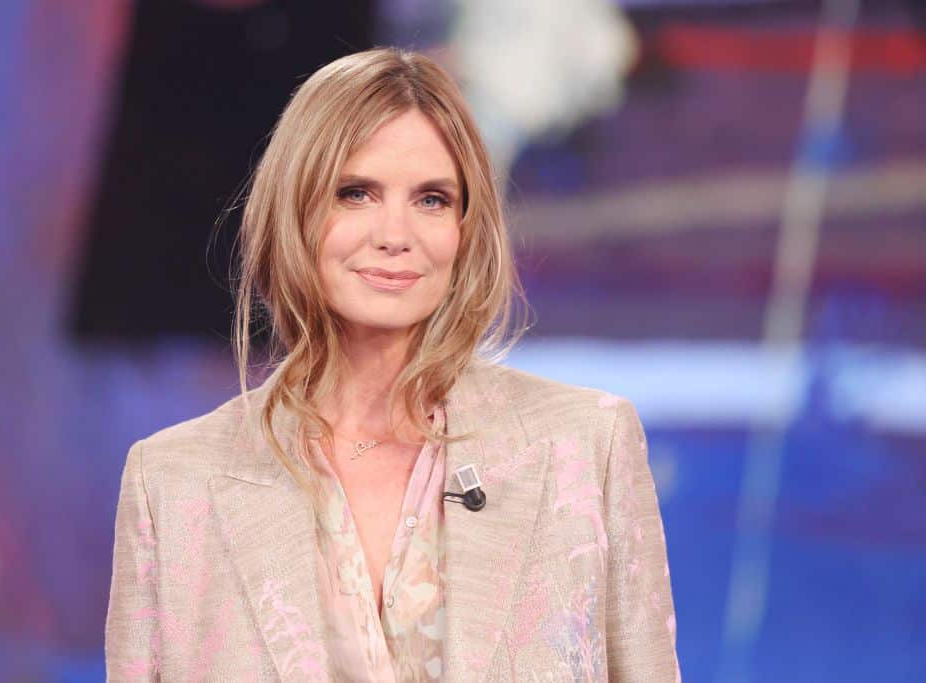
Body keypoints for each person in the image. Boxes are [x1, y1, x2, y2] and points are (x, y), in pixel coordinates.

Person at [105, 47, 681, 682]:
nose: (395, 235)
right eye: (355, 194)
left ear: (466, 227)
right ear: (293, 210)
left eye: (432, 200)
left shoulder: (585, 448)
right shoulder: (173, 483)